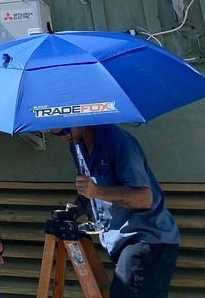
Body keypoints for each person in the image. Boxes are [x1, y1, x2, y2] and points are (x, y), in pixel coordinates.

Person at [53, 125, 179, 298]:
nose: (62, 138)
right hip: (120, 241)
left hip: (147, 239)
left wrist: (97, 192)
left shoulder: (117, 141)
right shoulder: (77, 146)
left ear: (79, 119)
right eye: (54, 133)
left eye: (64, 131)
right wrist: (73, 211)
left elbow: (144, 198)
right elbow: (89, 190)